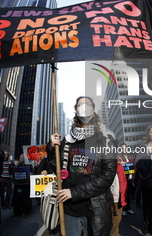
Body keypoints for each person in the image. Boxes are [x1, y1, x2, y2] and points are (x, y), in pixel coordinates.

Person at [47, 96, 117, 236]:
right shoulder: (67, 140)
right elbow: (59, 170)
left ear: (93, 109)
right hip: (69, 209)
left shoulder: (106, 138)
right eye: (80, 104)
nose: (84, 107)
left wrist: (73, 193)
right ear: (76, 109)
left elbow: (107, 176)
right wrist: (51, 148)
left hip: (95, 209)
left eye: (87, 104)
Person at [110, 155, 127, 236]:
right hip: (105, 201)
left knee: (115, 225)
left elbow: (124, 182)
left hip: (118, 200)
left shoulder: (119, 166)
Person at [119, 143, 136, 216]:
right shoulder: (119, 158)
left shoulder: (131, 157)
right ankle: (123, 209)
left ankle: (128, 208)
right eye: (122, 148)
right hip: (122, 179)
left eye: (125, 148)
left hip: (130, 178)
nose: (124, 150)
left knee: (129, 193)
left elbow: (134, 167)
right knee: (123, 194)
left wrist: (133, 176)